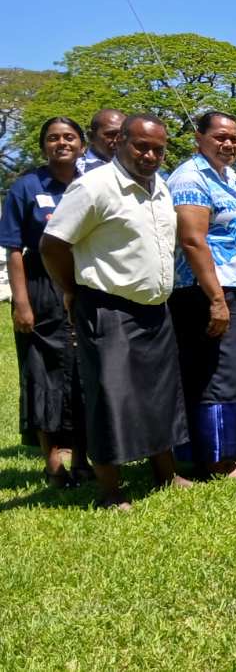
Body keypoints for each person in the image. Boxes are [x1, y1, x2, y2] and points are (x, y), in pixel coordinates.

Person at [39, 114, 189, 509]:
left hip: (155, 308)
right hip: (107, 307)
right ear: (119, 141)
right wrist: (71, 291)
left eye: (158, 148)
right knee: (112, 397)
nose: (150, 155)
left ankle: (166, 473)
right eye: (141, 145)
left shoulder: (161, 187)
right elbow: (52, 244)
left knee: (161, 394)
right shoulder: (94, 187)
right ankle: (110, 490)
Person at [167, 111, 236, 478]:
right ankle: (214, 458)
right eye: (220, 136)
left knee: (228, 371)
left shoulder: (227, 177)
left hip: (233, 286)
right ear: (198, 138)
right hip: (204, 291)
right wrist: (216, 298)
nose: (229, 144)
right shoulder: (190, 178)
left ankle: (222, 452)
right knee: (216, 374)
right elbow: (191, 239)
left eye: (234, 138)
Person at [3, 117, 89, 487]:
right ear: (43, 147)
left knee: (84, 372)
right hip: (40, 289)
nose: (62, 143)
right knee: (42, 373)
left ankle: (85, 458)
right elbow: (14, 249)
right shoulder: (27, 187)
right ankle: (53, 462)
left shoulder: (91, 185)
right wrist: (22, 302)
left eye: (69, 137)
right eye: (53, 138)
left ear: (82, 145)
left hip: (84, 285)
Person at [76, 108, 124, 174]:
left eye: (123, 134)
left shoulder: (136, 169)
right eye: (110, 134)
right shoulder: (74, 170)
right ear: (91, 137)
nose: (117, 140)